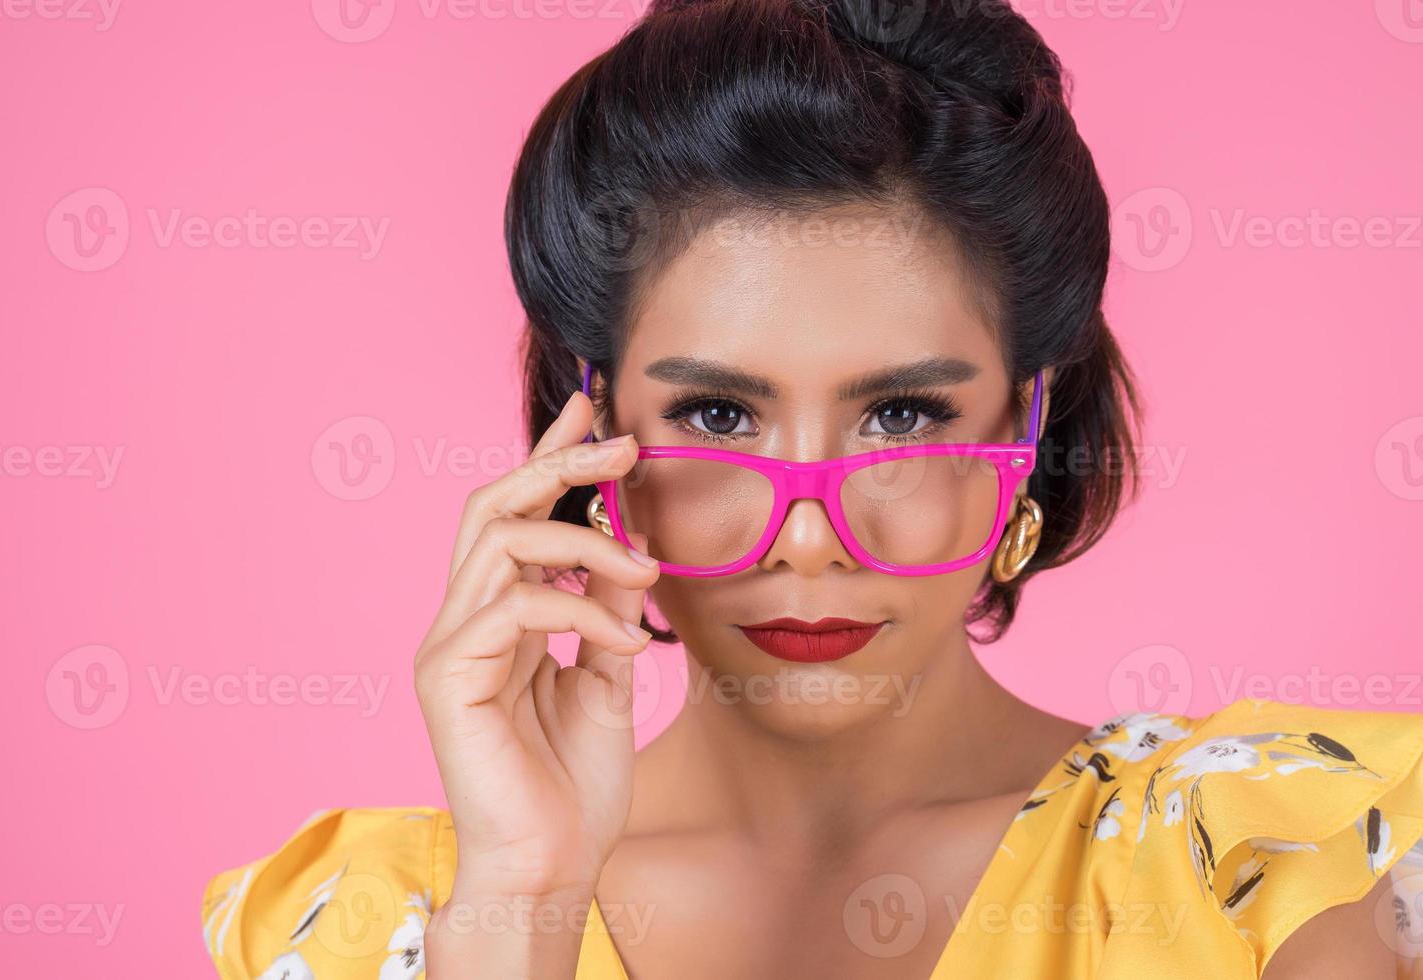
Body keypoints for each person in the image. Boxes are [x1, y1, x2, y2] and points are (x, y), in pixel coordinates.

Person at [201, 0, 1423, 976]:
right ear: (591, 435)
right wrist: (522, 903)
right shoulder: (378, 924)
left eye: (903, 412)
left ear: (1028, 423)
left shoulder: (1285, 853)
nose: (805, 535)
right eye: (716, 414)